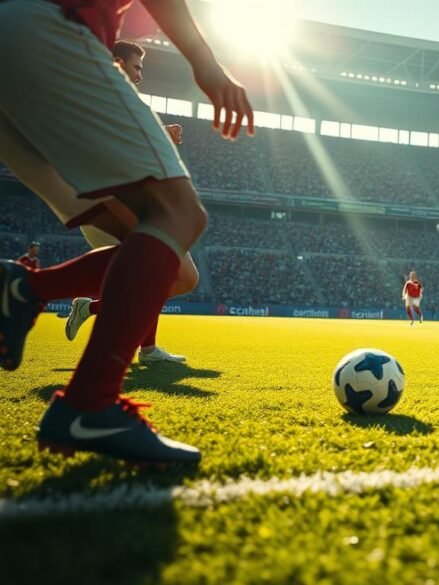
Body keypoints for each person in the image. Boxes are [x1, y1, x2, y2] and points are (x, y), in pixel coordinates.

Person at [0, 0, 254, 465]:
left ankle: (27, 289)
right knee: (179, 214)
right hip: (50, 27)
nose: (137, 71)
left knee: (170, 259)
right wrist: (205, 64)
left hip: (19, 43)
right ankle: (89, 402)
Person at [63, 40, 194, 364]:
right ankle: (38, 289)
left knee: (180, 277)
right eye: (136, 67)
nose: (139, 75)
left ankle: (98, 314)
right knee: (170, 273)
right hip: (110, 204)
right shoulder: (97, 95)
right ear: (118, 62)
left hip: (132, 204)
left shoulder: (122, 100)